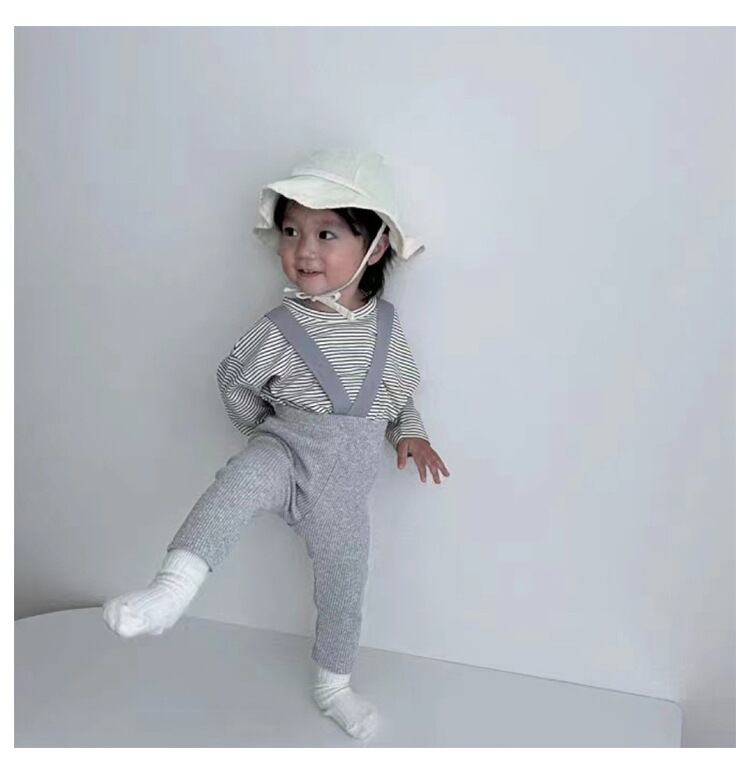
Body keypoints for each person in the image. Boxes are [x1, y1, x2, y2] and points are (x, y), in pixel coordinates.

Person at [101, 148, 450, 741]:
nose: (303, 250)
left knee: (345, 587)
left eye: (325, 234)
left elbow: (396, 398)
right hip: (285, 452)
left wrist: (411, 434)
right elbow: (233, 382)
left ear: (374, 248)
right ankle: (169, 592)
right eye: (290, 232)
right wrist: (262, 434)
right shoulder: (278, 329)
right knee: (237, 483)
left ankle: (334, 686)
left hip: (342, 491)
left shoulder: (388, 331)